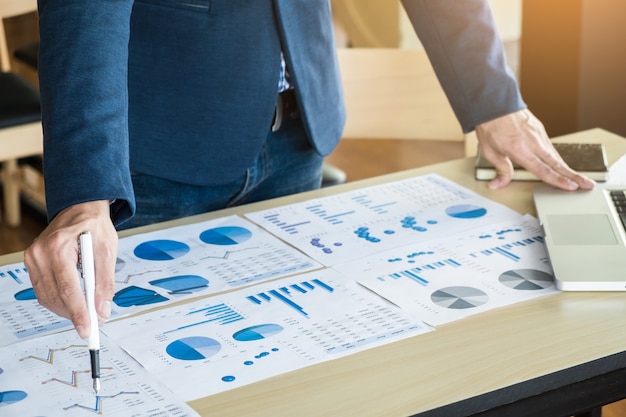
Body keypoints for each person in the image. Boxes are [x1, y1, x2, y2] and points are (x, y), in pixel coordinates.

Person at [24, 0, 595, 340]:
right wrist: (87, 189)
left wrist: (491, 97)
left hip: (300, 123)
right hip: (159, 138)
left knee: (288, 340)